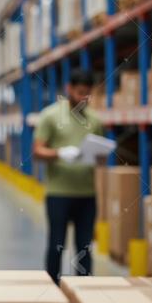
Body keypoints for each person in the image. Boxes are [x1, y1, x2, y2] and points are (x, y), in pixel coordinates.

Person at [33, 69, 104, 282]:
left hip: (87, 194)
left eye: (88, 94)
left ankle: (84, 292)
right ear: (69, 89)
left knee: (85, 247)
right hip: (59, 194)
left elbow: (100, 157)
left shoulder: (95, 120)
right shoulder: (51, 116)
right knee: (57, 244)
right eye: (80, 92)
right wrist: (59, 153)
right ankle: (53, 289)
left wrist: (97, 155)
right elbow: (37, 151)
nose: (83, 98)